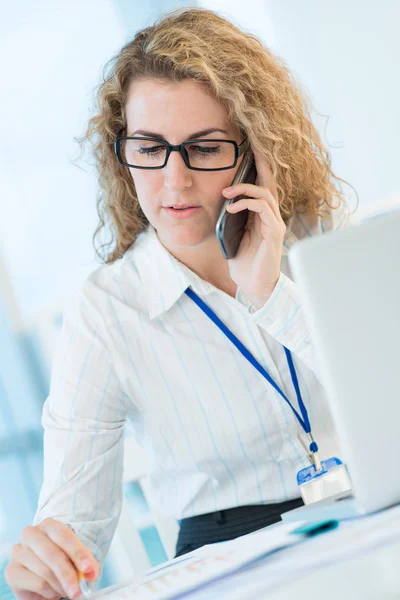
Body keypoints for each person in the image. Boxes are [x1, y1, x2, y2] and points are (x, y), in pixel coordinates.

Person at [6, 7, 353, 599]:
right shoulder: (106, 310)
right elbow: (72, 519)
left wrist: (271, 293)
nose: (173, 181)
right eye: (149, 148)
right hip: (225, 567)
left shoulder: (319, 237)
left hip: (362, 517)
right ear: (123, 154)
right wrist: (46, 559)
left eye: (205, 147)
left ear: (253, 149)